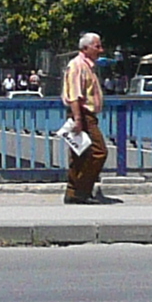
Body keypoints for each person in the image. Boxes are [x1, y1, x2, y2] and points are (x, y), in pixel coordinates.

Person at [60, 31, 109, 204]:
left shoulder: (88, 66)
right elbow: (74, 95)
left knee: (79, 155)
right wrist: (78, 119)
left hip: (86, 115)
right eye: (97, 46)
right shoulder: (77, 65)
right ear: (86, 47)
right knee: (99, 152)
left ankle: (73, 192)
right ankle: (82, 190)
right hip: (82, 114)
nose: (100, 50)